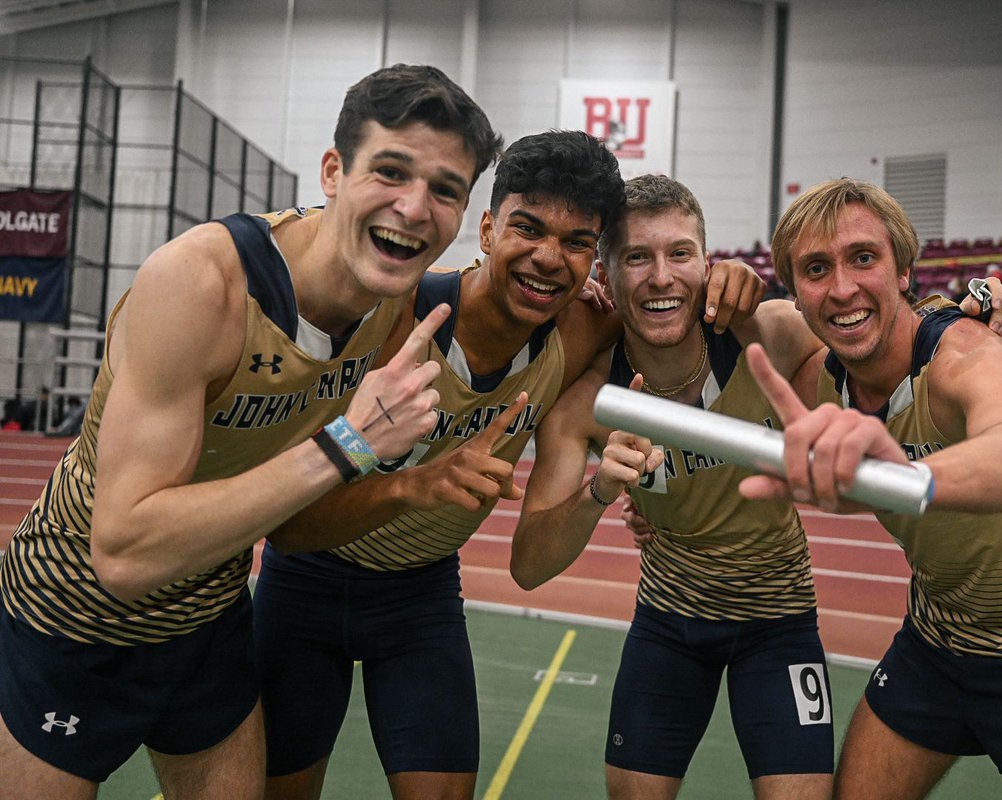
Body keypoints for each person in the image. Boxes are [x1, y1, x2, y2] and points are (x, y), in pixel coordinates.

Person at [0, 63, 503, 799]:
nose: (414, 207)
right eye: (389, 172)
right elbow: (124, 552)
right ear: (333, 171)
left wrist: (603, 296)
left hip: (210, 619)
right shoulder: (202, 283)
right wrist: (351, 445)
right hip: (77, 621)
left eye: (445, 190)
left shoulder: (396, 301)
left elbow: (523, 294)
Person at [252, 133, 765, 800]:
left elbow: (674, 303)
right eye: (528, 228)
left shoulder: (584, 327)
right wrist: (414, 486)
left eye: (577, 242)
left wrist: (731, 282)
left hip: (420, 597)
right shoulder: (396, 317)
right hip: (307, 586)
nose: (549, 258)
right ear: (489, 229)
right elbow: (290, 530)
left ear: (595, 264)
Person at [508, 175, 1002, 800]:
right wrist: (597, 494)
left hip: (779, 618)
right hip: (670, 623)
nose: (660, 276)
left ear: (707, 261)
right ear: (606, 276)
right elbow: (529, 568)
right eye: (635, 258)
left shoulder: (767, 332)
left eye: (679, 253)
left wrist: (965, 307)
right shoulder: (589, 404)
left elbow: (875, 321)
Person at [741, 178, 1002, 800]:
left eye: (863, 258)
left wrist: (901, 479)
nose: (842, 287)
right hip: (938, 639)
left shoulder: (963, 354)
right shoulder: (820, 379)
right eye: (816, 269)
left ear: (903, 272)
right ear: (796, 293)